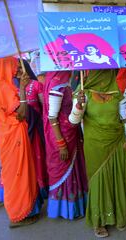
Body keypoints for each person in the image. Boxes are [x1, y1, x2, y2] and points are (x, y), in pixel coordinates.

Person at [69, 70, 126, 238]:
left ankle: (120, 216)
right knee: (98, 181)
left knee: (117, 177)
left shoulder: (116, 92)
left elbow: (124, 117)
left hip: (117, 141)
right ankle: (99, 222)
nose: (106, 74)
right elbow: (73, 121)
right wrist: (79, 106)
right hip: (95, 145)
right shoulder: (83, 93)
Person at [0, 57, 42, 227]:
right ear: (5, 67)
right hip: (14, 135)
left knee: (12, 175)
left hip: (5, 134)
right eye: (14, 65)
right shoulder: (5, 87)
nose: (17, 68)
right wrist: (23, 89)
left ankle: (17, 210)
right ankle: (19, 214)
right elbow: (21, 113)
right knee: (19, 175)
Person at [43, 71, 88, 220]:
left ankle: (72, 207)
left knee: (72, 169)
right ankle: (68, 209)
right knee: (66, 170)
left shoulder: (60, 80)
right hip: (61, 136)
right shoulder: (58, 84)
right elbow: (52, 117)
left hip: (67, 133)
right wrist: (61, 144)